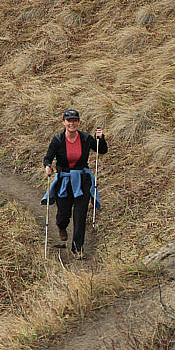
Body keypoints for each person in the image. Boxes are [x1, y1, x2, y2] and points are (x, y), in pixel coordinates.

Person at [42, 109, 107, 259]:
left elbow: (102, 150)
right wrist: (48, 166)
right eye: (69, 120)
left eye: (74, 120)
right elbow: (48, 158)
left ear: (78, 122)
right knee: (63, 214)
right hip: (64, 181)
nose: (72, 123)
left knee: (80, 215)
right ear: (64, 122)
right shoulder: (58, 140)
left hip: (82, 181)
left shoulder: (85, 138)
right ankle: (61, 226)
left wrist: (101, 138)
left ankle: (77, 249)